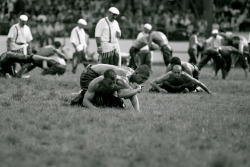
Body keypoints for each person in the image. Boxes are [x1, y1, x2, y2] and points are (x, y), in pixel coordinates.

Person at [70, 64, 151, 112]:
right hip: (89, 75)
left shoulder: (130, 72)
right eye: (142, 78)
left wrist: (137, 111)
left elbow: (130, 93)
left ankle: (82, 93)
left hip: (91, 71)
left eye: (145, 80)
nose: (143, 81)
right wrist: (137, 90)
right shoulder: (125, 77)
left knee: (110, 95)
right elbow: (122, 94)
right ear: (136, 73)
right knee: (100, 99)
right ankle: (80, 95)